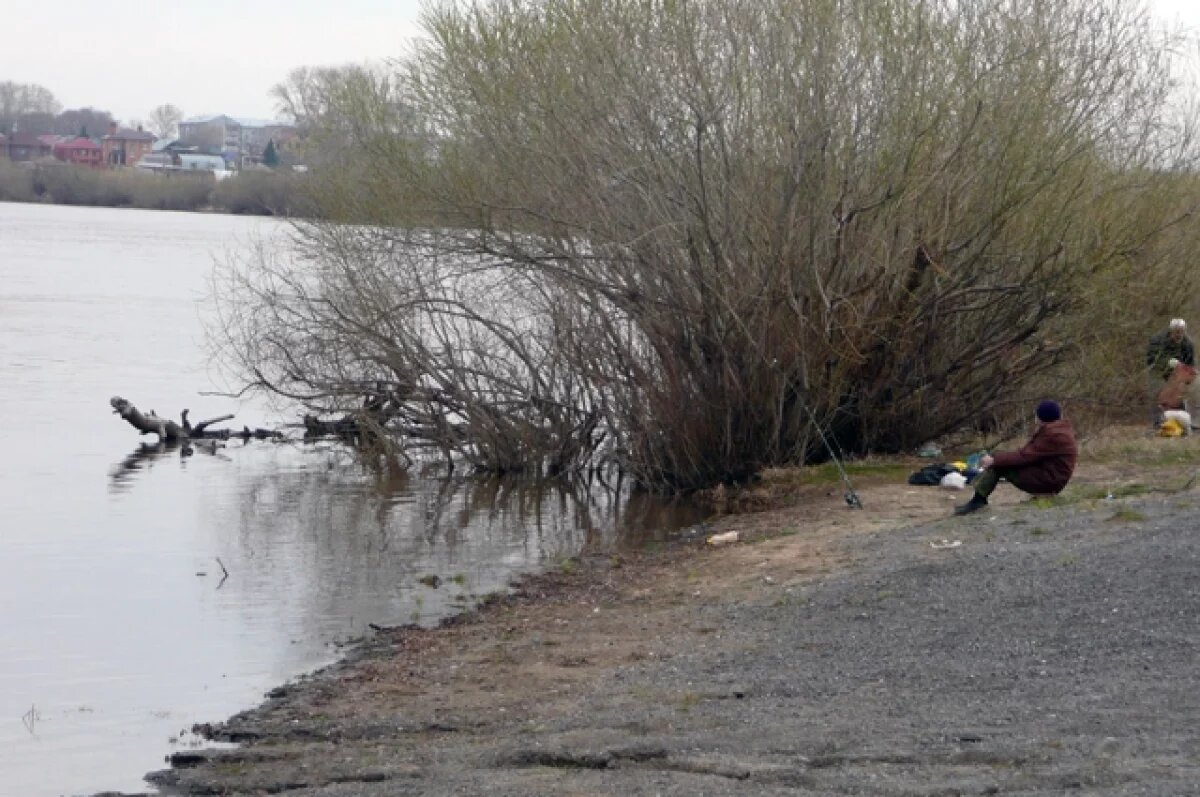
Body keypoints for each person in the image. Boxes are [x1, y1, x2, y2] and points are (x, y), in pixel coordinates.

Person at [954, 400, 1077, 516]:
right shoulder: (1058, 430)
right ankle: (978, 498)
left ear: (1041, 417)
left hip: (1049, 481)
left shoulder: (1053, 435)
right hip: (1050, 476)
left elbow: (1025, 457)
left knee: (999, 466)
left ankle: (978, 501)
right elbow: (1029, 455)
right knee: (1000, 458)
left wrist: (994, 460)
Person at [1147, 319, 1195, 426]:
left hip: (1178, 375)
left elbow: (1190, 363)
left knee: (1179, 397)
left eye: (1181, 331)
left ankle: (1181, 423)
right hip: (1158, 372)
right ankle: (1158, 423)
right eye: (1177, 332)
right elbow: (1151, 359)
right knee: (1159, 395)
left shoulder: (1188, 344)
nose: (1179, 334)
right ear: (1171, 330)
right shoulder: (1157, 340)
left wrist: (1186, 378)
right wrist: (1167, 362)